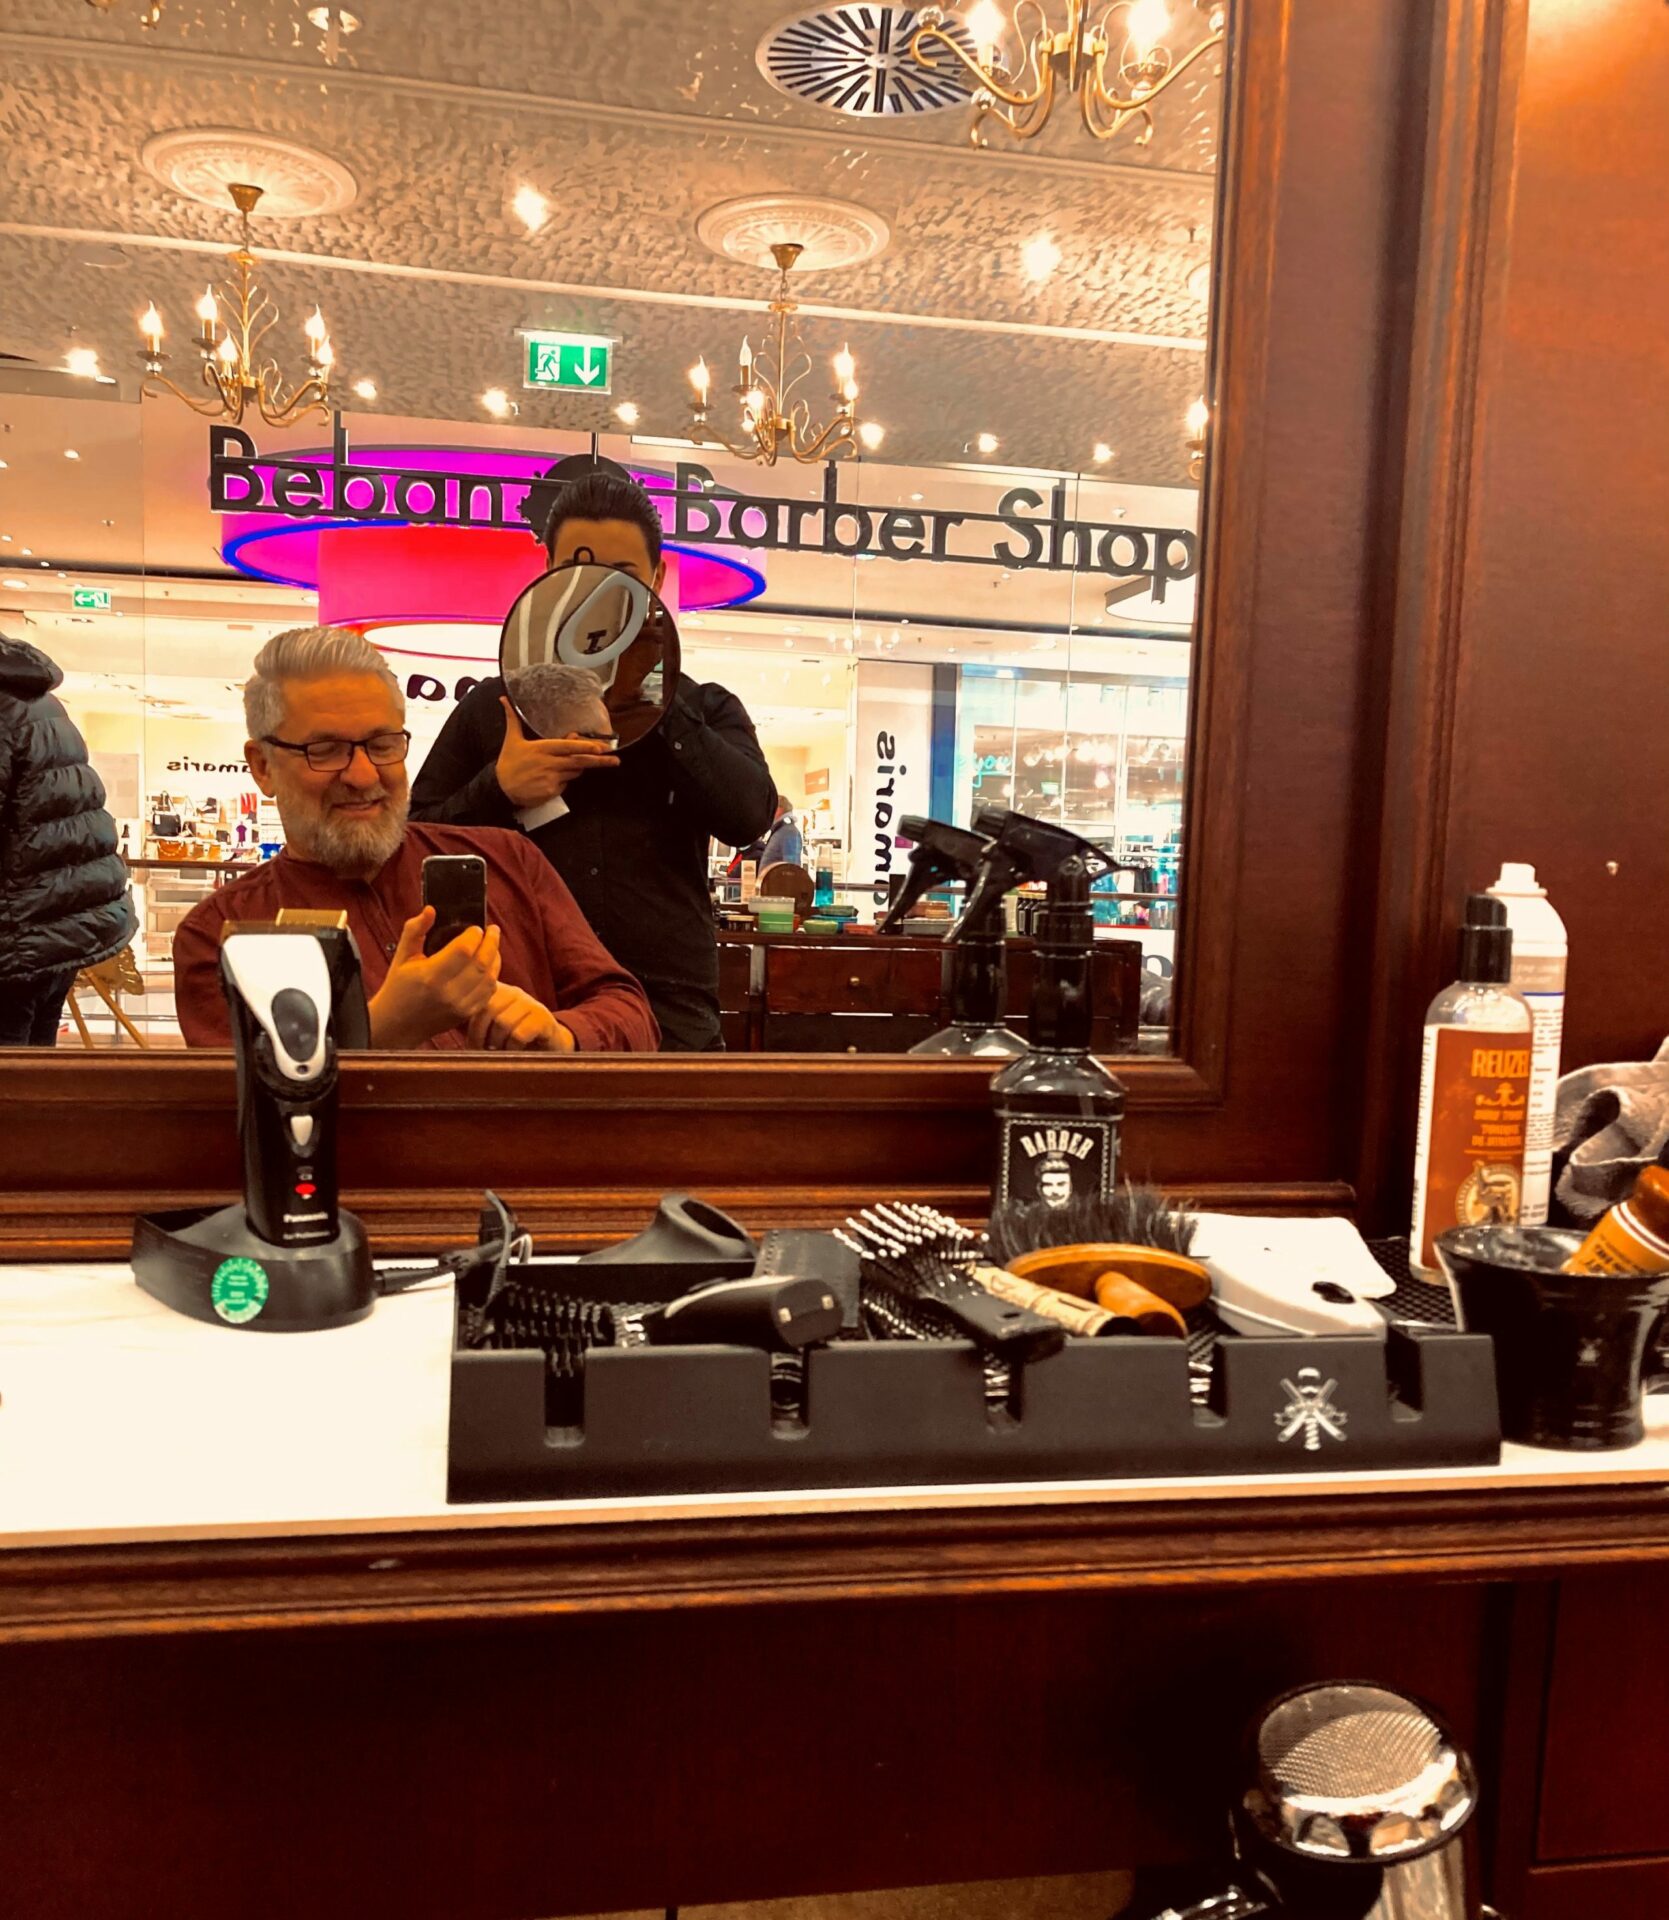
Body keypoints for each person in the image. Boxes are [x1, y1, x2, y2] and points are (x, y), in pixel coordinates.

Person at [410, 459, 776, 1051]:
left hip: (669, 1015)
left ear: (656, 577)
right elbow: (415, 842)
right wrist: (499, 789)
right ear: (548, 572)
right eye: (577, 570)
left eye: (622, 575)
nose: (598, 592)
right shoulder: (493, 707)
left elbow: (748, 816)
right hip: (519, 1005)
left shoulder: (703, 707)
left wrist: (656, 699)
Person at [171, 626, 658, 1053]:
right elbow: (238, 1107)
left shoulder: (510, 861)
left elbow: (631, 1014)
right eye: (326, 750)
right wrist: (381, 1028)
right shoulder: (220, 934)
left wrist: (560, 1034)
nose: (364, 775)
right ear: (262, 767)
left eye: (382, 744)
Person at [0, 635, 136, 1046]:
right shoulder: (30, 696)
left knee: (16, 1074)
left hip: (18, 935)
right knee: (36, 1068)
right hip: (54, 928)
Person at [758, 795, 803, 873]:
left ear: (779, 809)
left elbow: (792, 868)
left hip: (776, 880)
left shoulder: (788, 832)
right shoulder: (783, 830)